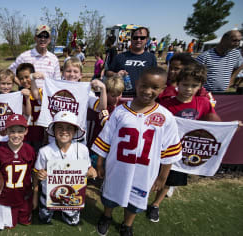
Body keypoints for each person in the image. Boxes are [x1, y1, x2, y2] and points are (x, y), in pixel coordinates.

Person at [92, 67, 182, 236]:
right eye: (144, 86)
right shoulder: (120, 111)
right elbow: (106, 138)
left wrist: (163, 176)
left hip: (144, 170)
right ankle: (106, 216)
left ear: (162, 89)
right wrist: (99, 163)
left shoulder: (166, 117)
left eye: (154, 87)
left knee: (136, 199)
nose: (148, 91)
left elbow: (169, 151)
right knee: (110, 195)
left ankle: (127, 224)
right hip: (117, 166)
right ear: (137, 84)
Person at [146, 63, 221, 223]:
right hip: (159, 150)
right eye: (185, 84)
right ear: (177, 84)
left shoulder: (203, 103)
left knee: (170, 180)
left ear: (200, 86)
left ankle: (156, 205)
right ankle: (142, 199)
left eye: (194, 85)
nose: (188, 89)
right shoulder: (165, 104)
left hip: (183, 152)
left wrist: (230, 127)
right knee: (152, 176)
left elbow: (213, 124)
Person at [33, 111, 97, 225]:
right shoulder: (45, 151)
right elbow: (37, 172)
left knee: (73, 221)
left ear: (75, 131)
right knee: (44, 218)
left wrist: (92, 171)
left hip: (73, 193)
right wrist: (39, 178)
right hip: (49, 192)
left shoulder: (82, 149)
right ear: (53, 130)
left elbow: (89, 167)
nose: (64, 131)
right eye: (60, 127)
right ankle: (46, 210)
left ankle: (68, 213)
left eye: (69, 128)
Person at [0, 114, 36, 230]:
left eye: (20, 131)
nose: (16, 135)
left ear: (26, 131)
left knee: (25, 221)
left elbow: (34, 172)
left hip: (25, 195)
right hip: (7, 196)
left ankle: (23, 213)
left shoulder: (30, 150)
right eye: (12, 131)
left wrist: (35, 193)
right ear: (6, 131)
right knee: (10, 226)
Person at [106, 27, 157, 92]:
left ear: (146, 39)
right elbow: (107, 73)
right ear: (131, 39)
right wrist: (116, 75)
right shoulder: (120, 57)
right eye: (135, 37)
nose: (138, 40)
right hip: (122, 96)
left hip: (143, 97)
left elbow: (156, 78)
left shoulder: (151, 58)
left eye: (142, 38)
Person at [15, 63, 45, 152]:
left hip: (40, 134)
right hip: (25, 135)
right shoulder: (19, 95)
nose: (24, 81)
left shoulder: (41, 92)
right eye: (21, 78)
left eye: (26, 77)